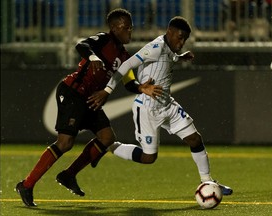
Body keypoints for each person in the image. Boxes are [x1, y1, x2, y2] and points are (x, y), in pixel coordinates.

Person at [15, 8, 162, 207]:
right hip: (73, 92)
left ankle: (68, 175)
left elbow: (128, 83)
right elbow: (81, 44)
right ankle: (27, 184)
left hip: (90, 100)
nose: (130, 32)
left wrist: (141, 88)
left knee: (107, 138)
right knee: (65, 143)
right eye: (126, 28)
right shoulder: (103, 40)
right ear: (113, 28)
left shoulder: (124, 55)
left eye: (131, 28)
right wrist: (93, 57)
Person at [90, 16, 233, 195]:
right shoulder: (155, 47)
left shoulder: (169, 47)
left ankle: (207, 182)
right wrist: (108, 90)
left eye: (185, 39)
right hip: (148, 108)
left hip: (167, 105)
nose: (182, 42)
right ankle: (109, 146)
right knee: (149, 158)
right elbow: (126, 65)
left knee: (195, 139)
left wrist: (180, 57)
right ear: (169, 33)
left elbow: (167, 58)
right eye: (179, 37)